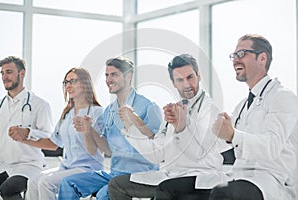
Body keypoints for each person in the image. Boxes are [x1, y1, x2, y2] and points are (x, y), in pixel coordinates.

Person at [108, 54, 230, 200]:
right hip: (172, 175)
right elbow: (156, 155)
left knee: (165, 190)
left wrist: (182, 126)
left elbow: (198, 152)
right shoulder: (173, 111)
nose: (186, 84)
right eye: (180, 80)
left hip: (199, 177)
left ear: (199, 76)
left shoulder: (210, 109)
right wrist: (131, 127)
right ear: (173, 83)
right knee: (116, 185)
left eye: (190, 77)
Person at [57, 56, 162, 200]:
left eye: (114, 75)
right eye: (107, 75)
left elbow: (158, 147)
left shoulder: (149, 107)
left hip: (140, 175)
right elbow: (107, 149)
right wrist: (89, 130)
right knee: (68, 183)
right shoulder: (109, 111)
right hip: (114, 173)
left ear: (128, 76)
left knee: (103, 194)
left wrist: (135, 122)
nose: (109, 79)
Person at [210, 34, 298, 200]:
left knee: (223, 193)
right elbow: (222, 144)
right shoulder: (243, 105)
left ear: (262, 58)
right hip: (241, 178)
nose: (235, 60)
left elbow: (272, 145)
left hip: (273, 182)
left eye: (242, 54)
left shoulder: (283, 97)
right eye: (234, 55)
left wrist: (232, 135)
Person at [20, 67, 105, 200]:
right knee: (33, 181)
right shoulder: (67, 114)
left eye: (73, 81)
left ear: (85, 84)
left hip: (88, 169)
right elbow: (53, 143)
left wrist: (87, 131)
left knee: (46, 183)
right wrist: (23, 139)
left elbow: (97, 150)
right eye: (66, 82)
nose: (68, 86)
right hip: (66, 167)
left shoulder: (97, 112)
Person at [0, 56, 54, 199]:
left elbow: (51, 141)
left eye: (9, 72)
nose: (4, 77)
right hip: (2, 165)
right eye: (2, 73)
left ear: (22, 73)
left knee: (9, 188)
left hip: (29, 166)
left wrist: (29, 133)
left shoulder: (39, 105)